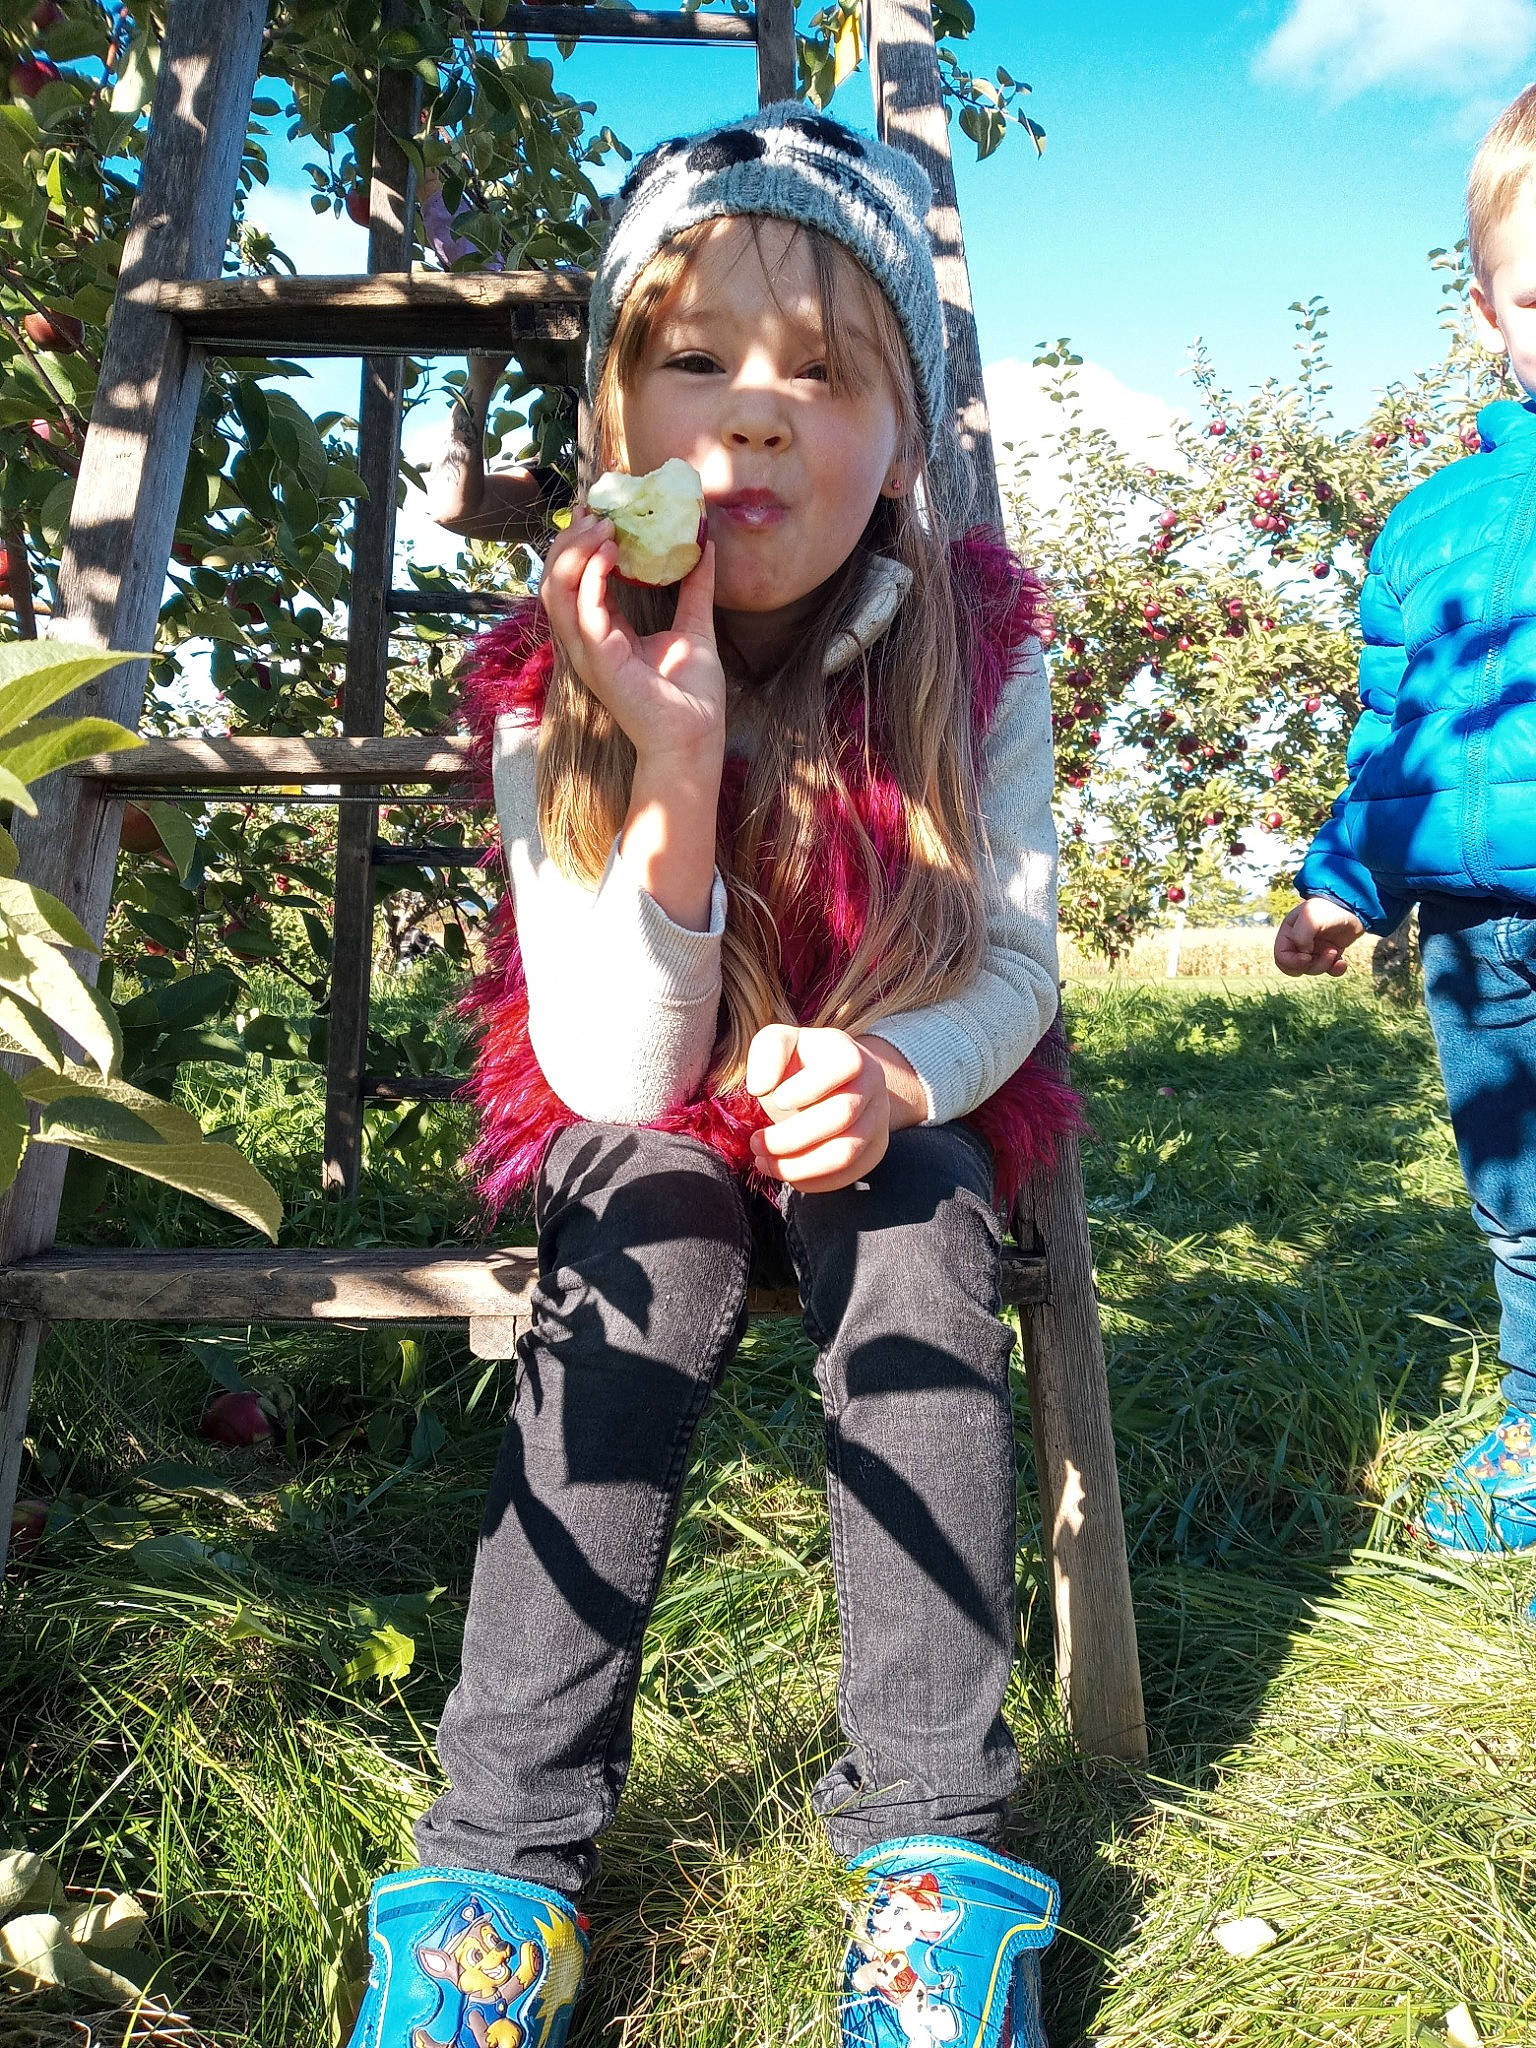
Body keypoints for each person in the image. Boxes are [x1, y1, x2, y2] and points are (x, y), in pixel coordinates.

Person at [346, 105, 1078, 2048]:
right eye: (695, 357)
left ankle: (935, 1853)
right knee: (640, 1226)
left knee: (920, 1226)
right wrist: (669, 766)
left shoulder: (979, 650)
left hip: (888, 1092)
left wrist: (905, 1075)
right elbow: (612, 1069)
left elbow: (1018, 965)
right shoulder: (551, 686)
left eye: (824, 372)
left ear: (906, 445)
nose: (754, 410)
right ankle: (501, 1858)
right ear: (614, 417)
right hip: (655, 1104)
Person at [1274, 86, 1536, 1572]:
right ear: (1489, 310)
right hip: (1477, 940)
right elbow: (1393, 736)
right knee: (1520, 1201)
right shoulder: (1431, 524)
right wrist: (1343, 883)